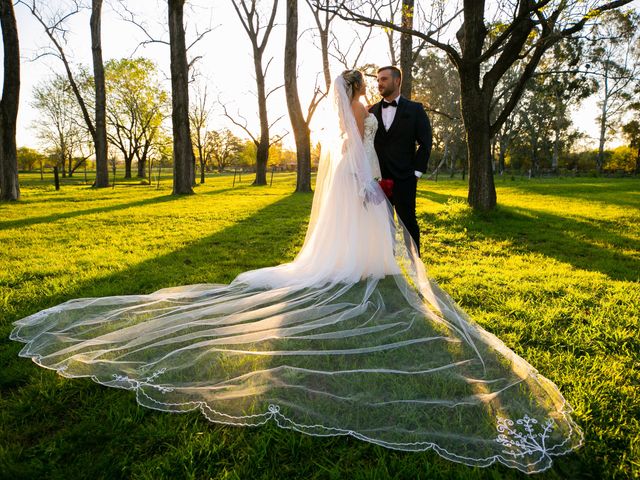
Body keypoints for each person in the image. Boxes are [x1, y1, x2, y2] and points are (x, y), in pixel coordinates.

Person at [10, 70, 582, 474]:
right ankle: (369, 266)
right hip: (370, 182)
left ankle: (374, 263)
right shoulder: (360, 113)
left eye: (379, 82)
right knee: (379, 236)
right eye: (368, 83)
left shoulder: (365, 111)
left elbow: (390, 143)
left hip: (386, 179)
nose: (373, 89)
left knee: (392, 235)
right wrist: (371, 184)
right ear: (363, 90)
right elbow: (362, 152)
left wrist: (394, 173)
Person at [369, 66, 432, 255]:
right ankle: (388, 265)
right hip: (378, 180)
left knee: (408, 223)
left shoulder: (415, 109)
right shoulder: (371, 110)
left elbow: (426, 142)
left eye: (384, 79)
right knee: (382, 225)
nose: (379, 83)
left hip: (405, 178)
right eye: (378, 80)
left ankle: (416, 266)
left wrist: (416, 173)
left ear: (397, 81)